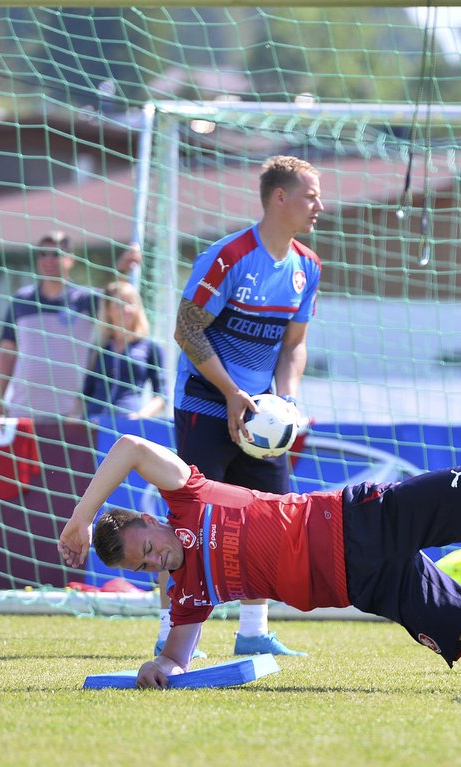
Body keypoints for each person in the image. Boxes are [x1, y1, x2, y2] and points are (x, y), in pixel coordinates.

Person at [56, 428, 461, 693]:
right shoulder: (187, 592)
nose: (157, 561)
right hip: (373, 583)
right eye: (145, 568)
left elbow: (133, 446)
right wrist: (155, 665)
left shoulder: (187, 495)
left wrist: (82, 517)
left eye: (147, 548)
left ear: (146, 520)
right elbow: (176, 659)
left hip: (361, 516)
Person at [159, 155, 325, 658]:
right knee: (194, 523)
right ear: (280, 197)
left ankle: (252, 631)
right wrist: (233, 393)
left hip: (263, 423)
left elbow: (293, 344)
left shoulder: (308, 267)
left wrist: (287, 400)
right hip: (206, 406)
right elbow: (186, 330)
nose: (320, 205)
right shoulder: (228, 257)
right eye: (311, 195)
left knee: (270, 521)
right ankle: (171, 630)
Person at [0, 231, 98, 422]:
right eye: (43, 254)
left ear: (70, 259)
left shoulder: (87, 300)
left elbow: (119, 304)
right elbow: (7, 352)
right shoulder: (21, 300)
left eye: (56, 254)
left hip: (70, 416)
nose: (48, 260)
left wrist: (122, 272)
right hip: (23, 412)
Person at [82, 280, 166, 425]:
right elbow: (86, 393)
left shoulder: (150, 346)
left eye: (131, 303)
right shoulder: (99, 348)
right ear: (108, 310)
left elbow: (162, 395)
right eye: (119, 304)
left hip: (129, 425)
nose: (126, 309)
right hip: (94, 424)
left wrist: (141, 415)